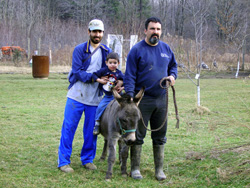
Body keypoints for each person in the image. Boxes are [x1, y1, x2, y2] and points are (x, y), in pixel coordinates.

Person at [123, 17, 178, 181]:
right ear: (145, 30)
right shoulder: (136, 50)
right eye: (152, 28)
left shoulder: (166, 49)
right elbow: (129, 75)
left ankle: (159, 170)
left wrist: (172, 76)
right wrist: (131, 98)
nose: (156, 32)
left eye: (158, 29)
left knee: (160, 135)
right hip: (142, 100)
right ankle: (135, 169)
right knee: (138, 135)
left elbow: (173, 66)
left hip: (161, 99)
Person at [57, 19, 112, 173]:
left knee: (91, 130)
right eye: (94, 31)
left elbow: (110, 71)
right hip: (76, 95)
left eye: (100, 31)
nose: (97, 34)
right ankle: (63, 161)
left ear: (103, 33)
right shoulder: (79, 49)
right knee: (69, 128)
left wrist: (114, 80)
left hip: (94, 98)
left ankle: (87, 159)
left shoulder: (107, 51)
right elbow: (77, 72)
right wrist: (96, 78)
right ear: (89, 32)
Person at [92, 52, 124, 135]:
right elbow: (94, 75)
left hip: (119, 96)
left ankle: (126, 124)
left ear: (118, 63)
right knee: (100, 107)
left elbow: (126, 81)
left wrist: (122, 87)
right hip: (108, 96)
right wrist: (99, 80)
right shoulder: (103, 71)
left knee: (128, 104)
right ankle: (97, 124)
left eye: (115, 63)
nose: (112, 65)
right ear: (106, 63)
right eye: (110, 63)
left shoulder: (119, 73)